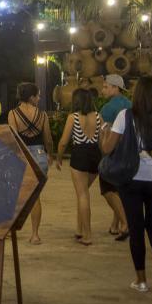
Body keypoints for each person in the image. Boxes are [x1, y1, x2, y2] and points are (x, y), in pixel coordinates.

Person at [101, 75, 152, 293]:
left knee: (136, 229)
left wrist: (104, 134)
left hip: (132, 179)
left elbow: (107, 149)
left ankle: (141, 280)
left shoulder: (125, 116)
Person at [8, 82, 53, 244]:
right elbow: (48, 139)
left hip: (21, 156)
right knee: (35, 197)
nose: (39, 98)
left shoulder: (13, 114)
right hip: (39, 155)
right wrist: (50, 154)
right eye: (38, 96)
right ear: (31, 97)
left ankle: (10, 230)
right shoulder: (42, 115)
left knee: (15, 195)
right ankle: (35, 235)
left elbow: (13, 139)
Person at [56, 89, 102, 246]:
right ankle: (79, 229)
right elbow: (102, 140)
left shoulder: (73, 117)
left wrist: (59, 157)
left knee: (82, 195)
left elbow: (63, 141)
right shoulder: (98, 116)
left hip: (80, 155)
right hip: (95, 156)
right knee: (83, 193)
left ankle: (87, 235)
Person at [99, 74, 131, 241]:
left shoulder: (108, 109)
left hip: (113, 154)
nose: (103, 90)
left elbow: (103, 133)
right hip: (130, 154)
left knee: (108, 191)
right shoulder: (131, 105)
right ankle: (115, 225)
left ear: (115, 88)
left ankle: (125, 223)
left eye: (106, 87)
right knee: (120, 190)